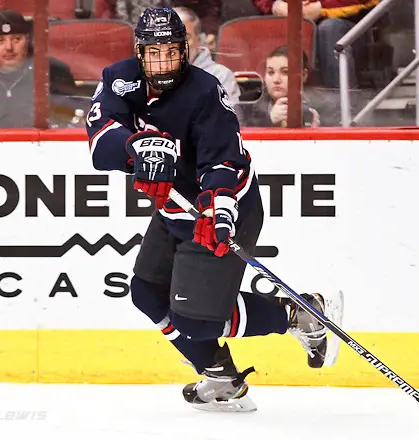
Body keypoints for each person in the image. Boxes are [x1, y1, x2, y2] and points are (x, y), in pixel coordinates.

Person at [85, 7, 342, 411]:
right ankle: (221, 376)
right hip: (175, 208)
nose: (163, 62)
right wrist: (135, 149)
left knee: (194, 320)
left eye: (171, 52)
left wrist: (219, 208)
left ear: (184, 51)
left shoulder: (205, 90)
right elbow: (102, 143)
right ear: (139, 52)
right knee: (147, 292)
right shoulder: (119, 80)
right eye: (154, 53)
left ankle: (297, 315)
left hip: (225, 206)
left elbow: (224, 160)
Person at [172, 6, 240, 106]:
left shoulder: (220, 76)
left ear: (199, 41)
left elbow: (225, 118)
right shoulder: (150, 76)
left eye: (186, 38)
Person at [241, 45, 320, 127]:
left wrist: (315, 134)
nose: (276, 80)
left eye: (285, 72)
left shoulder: (323, 107)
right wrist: (268, 121)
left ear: (303, 75)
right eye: (271, 72)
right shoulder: (245, 105)